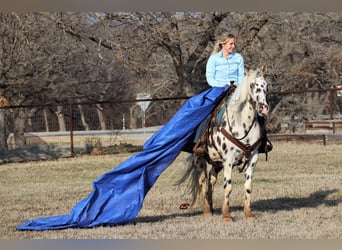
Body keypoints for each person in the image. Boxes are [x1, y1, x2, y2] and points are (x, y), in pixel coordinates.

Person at [193, 33, 245, 147]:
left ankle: (261, 140)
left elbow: (241, 76)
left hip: (236, 90)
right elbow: (210, 79)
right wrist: (223, 85)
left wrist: (237, 85)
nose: (233, 46)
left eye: (234, 43)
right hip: (218, 90)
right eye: (231, 43)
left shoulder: (238, 58)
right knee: (207, 112)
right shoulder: (214, 59)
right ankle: (200, 141)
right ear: (223, 44)